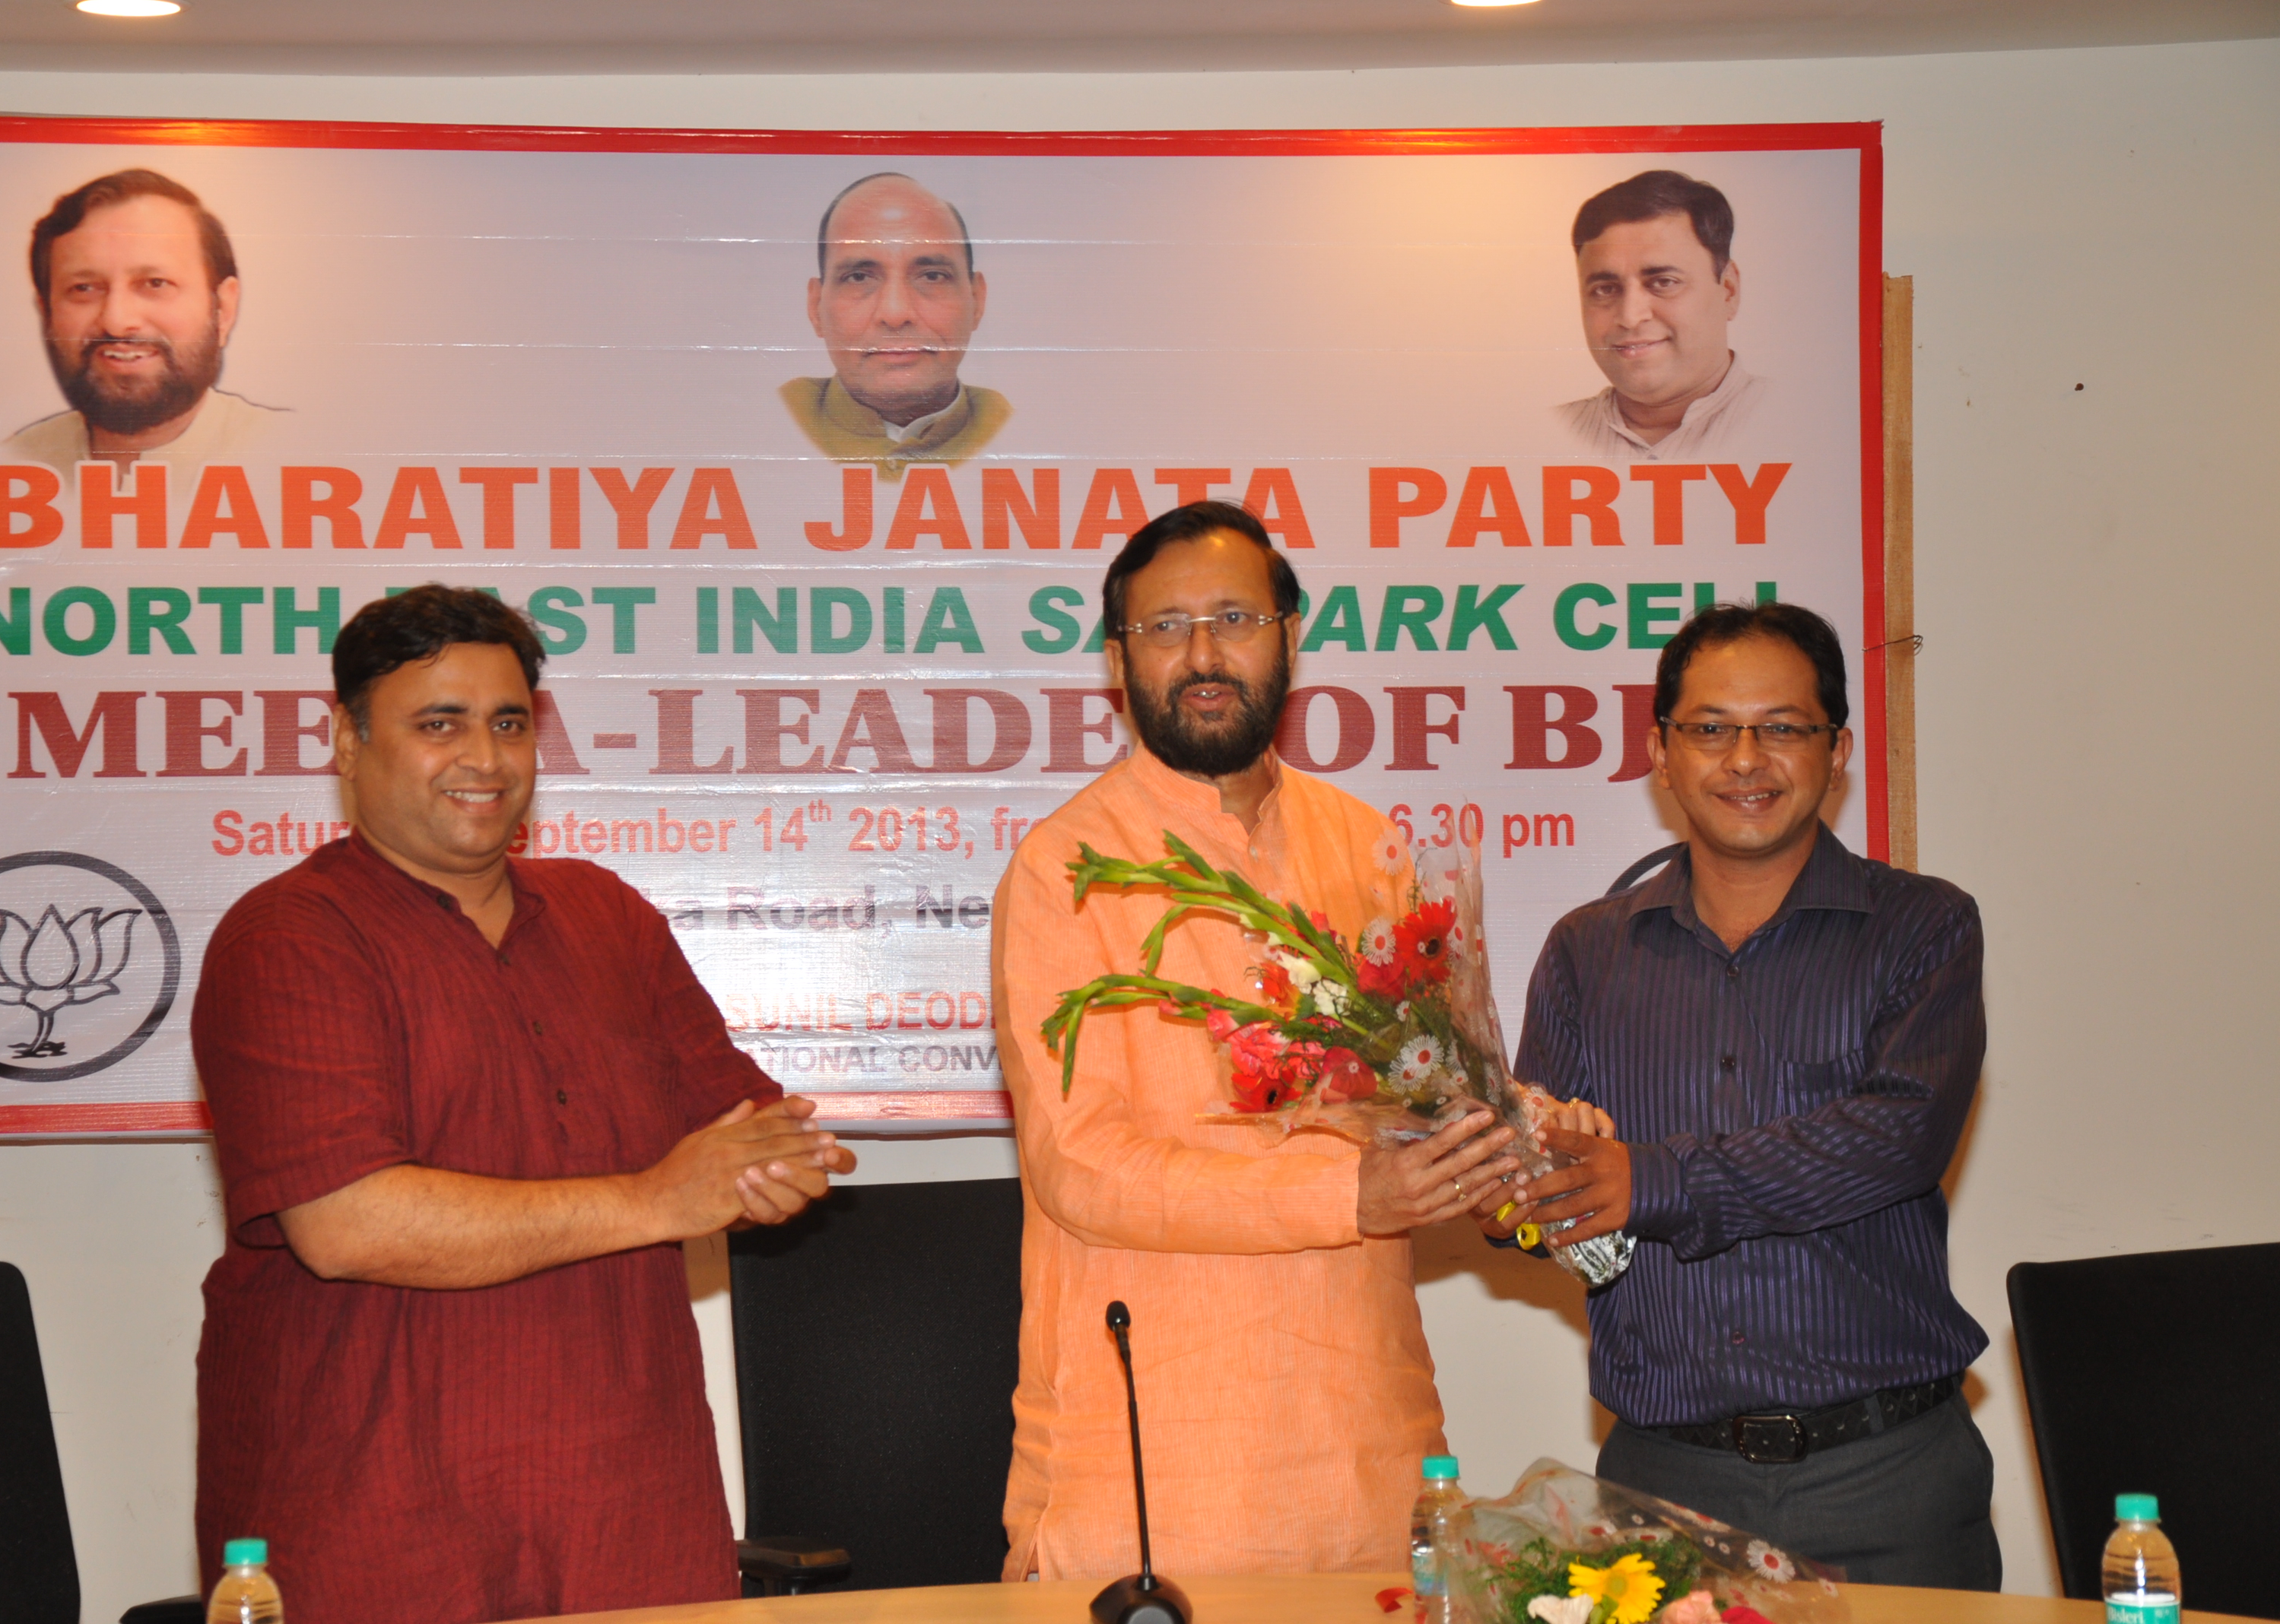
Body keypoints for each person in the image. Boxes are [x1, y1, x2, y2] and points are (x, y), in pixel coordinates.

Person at [191, 585, 855, 1623]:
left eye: (507, 723)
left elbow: (742, 1132)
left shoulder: (607, 917)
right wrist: (655, 1200)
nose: (486, 759)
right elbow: (346, 1222)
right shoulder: (288, 939)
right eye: (438, 723)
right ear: (345, 740)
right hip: (379, 1525)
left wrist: (775, 1172)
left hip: (626, 1515)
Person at [991, 501, 1526, 1581]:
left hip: (1371, 1455)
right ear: (1115, 660)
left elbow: (1420, 1094)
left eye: (1233, 617)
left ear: (1290, 634)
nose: (1201, 655)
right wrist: (1345, 1200)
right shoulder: (1065, 868)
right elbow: (1081, 1166)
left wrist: (1511, 1132)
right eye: (1164, 628)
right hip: (1155, 1478)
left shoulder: (1364, 843)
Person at [1494, 601, 1999, 1589]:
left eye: (1783, 727)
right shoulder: (1585, 953)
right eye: (1711, 729)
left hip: (1888, 1478)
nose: (1745, 759)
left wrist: (1649, 1178)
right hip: (1661, 1488)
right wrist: (1513, 1182)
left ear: (1838, 748)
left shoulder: (1923, 929)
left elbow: (1896, 1139)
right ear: (1660, 751)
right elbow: (1537, 1189)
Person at [8, 168, 285, 482]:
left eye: (155, 283)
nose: (117, 321)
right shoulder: (10, 467)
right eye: (84, 288)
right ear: (47, 314)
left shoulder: (294, 454)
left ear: (223, 308)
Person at [780, 172, 1009, 477]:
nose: (896, 313)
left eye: (932, 276)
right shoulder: (774, 418)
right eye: (859, 277)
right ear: (816, 308)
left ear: (977, 300)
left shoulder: (1013, 424)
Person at [1556, 170, 1767, 461]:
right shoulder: (1540, 437)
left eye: (1663, 282)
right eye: (1605, 289)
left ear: (1728, 290)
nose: (1630, 317)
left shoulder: (1798, 425)